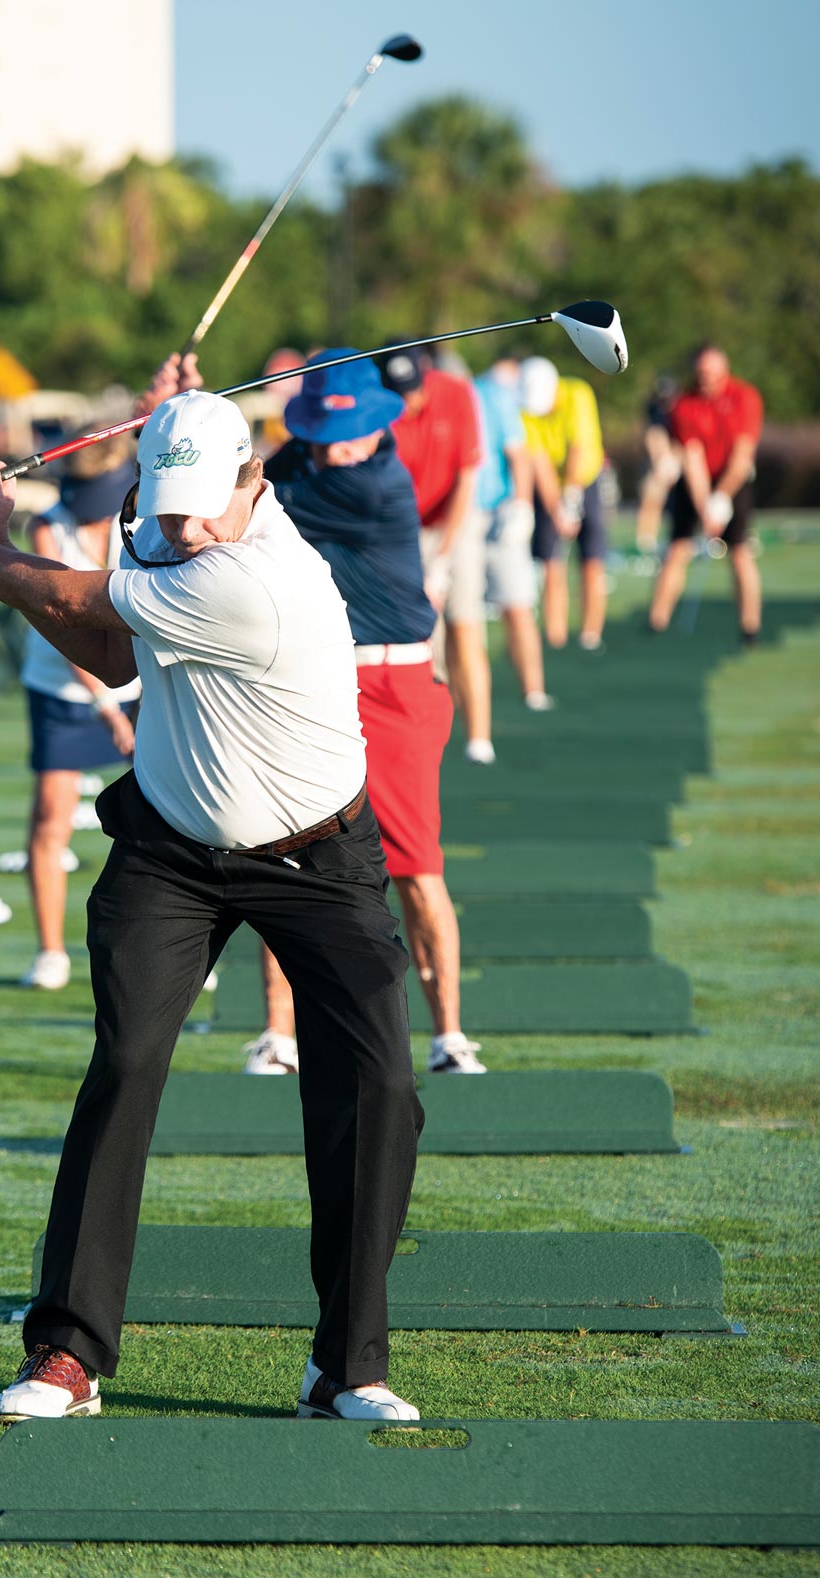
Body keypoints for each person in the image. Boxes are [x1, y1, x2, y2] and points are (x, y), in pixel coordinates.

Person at [0, 388, 424, 1425]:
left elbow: (75, 606)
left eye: (199, 510)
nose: (179, 529)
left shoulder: (258, 580)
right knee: (128, 1063)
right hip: (173, 851)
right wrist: (49, 521)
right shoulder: (156, 526)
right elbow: (107, 651)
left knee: (376, 1086)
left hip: (315, 857)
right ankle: (65, 1353)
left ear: (252, 484)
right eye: (163, 503)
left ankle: (344, 1367)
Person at [213, 348, 485, 1078]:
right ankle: (278, 1035)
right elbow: (243, 477)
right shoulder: (302, 459)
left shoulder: (375, 483)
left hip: (394, 688)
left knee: (417, 870)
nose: (335, 448)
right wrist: (191, 410)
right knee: (283, 854)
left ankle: (449, 1038)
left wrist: (204, 442)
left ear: (378, 425)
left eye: (350, 431)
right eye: (323, 433)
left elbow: (227, 508)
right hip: (312, 684)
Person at [19, 435, 141, 991]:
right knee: (51, 818)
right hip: (62, 692)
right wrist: (106, 706)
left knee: (169, 822)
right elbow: (65, 624)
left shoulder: (143, 516)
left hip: (143, 685)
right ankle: (50, 951)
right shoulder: (48, 527)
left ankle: (180, 953)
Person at [383, 344, 495, 764]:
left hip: (458, 521)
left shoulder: (455, 392)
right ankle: (435, 738)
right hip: (407, 528)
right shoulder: (385, 411)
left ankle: (480, 738)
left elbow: (467, 479)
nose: (408, 401)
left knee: (465, 625)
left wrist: (444, 558)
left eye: (412, 389)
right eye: (399, 392)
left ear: (425, 374)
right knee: (423, 639)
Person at [647, 345, 764, 640]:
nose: (706, 379)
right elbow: (692, 457)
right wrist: (705, 508)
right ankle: (656, 622)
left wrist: (722, 497)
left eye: (711, 373)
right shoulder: (685, 404)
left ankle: (750, 626)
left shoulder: (744, 397)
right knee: (677, 549)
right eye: (701, 373)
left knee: (740, 553)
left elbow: (742, 457)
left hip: (733, 480)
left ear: (724, 371)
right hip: (696, 482)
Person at [474, 356, 551, 710]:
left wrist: (521, 506)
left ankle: (533, 690)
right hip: (460, 520)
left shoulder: (494, 394)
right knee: (464, 617)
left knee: (517, 604)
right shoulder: (483, 391)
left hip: (499, 513)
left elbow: (518, 456)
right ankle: (462, 696)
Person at [519, 356, 609, 651]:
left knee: (592, 560)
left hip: (587, 480)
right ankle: (555, 637)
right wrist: (557, 508)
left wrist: (570, 498)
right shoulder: (526, 409)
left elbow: (578, 449)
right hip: (552, 488)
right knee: (550, 563)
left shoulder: (577, 393)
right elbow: (539, 462)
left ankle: (590, 634)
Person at [635, 375, 681, 555]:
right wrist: (661, 461)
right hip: (659, 462)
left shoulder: (679, 408)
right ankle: (646, 540)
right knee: (651, 501)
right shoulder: (655, 412)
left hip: (678, 459)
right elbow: (653, 436)